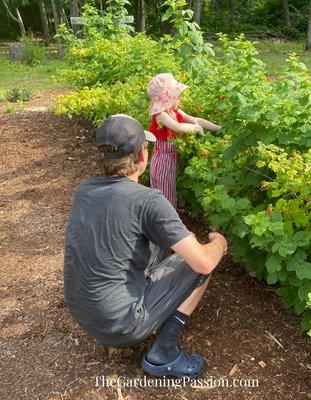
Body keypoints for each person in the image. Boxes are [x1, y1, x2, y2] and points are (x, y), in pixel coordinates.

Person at [63, 114, 227, 379]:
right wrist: (218, 243)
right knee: (201, 260)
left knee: (166, 244)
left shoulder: (84, 190)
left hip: (85, 315)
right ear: (142, 155)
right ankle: (164, 353)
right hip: (119, 324)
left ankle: (146, 301)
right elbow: (203, 262)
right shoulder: (148, 200)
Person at [147, 73, 221, 208]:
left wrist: (217, 128)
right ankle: (165, 223)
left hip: (171, 160)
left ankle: (161, 222)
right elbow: (178, 127)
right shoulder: (161, 115)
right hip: (162, 161)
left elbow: (195, 120)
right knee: (165, 196)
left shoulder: (175, 112)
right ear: (167, 99)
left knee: (167, 192)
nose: (179, 100)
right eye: (177, 97)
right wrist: (196, 129)